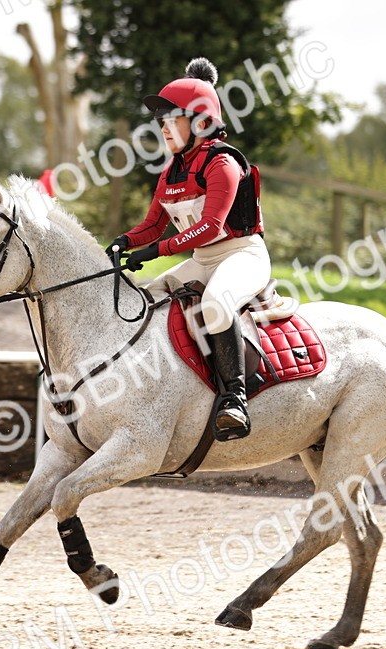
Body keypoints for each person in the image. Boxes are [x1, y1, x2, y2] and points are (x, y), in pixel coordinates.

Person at [106, 57, 268, 442]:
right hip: (203, 260)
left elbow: (210, 227)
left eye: (170, 120)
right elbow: (152, 225)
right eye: (160, 122)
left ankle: (235, 399)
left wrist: (157, 252)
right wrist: (123, 242)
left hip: (242, 255)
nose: (163, 129)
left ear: (199, 122)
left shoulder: (222, 163)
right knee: (145, 299)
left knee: (216, 304)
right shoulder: (171, 171)